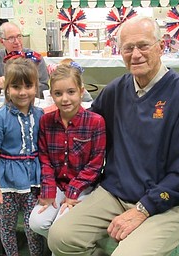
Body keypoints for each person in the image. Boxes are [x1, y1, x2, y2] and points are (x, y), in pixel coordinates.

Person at [47, 16, 179, 256]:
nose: (136, 54)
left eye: (143, 45)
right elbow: (86, 124)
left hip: (172, 201)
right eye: (128, 48)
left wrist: (144, 209)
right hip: (118, 191)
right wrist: (48, 114)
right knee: (60, 238)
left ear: (161, 46)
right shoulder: (116, 90)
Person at [29, 63, 106, 238]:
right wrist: (48, 190)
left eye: (71, 92)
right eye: (58, 93)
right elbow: (45, 159)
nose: (65, 99)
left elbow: (95, 165)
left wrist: (73, 192)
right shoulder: (46, 121)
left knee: (62, 229)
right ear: (52, 95)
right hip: (56, 185)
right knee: (36, 222)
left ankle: (65, 245)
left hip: (84, 187)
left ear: (81, 91)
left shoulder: (96, 122)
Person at [0, 56, 45, 255]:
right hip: (7, 183)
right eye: (16, 86)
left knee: (32, 226)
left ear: (36, 87)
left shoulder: (40, 115)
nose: (22, 92)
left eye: (28, 86)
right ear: (7, 89)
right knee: (8, 226)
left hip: (33, 182)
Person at [0, 22, 49, 98]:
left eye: (19, 36)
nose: (17, 42)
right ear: (1, 41)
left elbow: (44, 87)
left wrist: (24, 87)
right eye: (11, 38)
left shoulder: (34, 57)